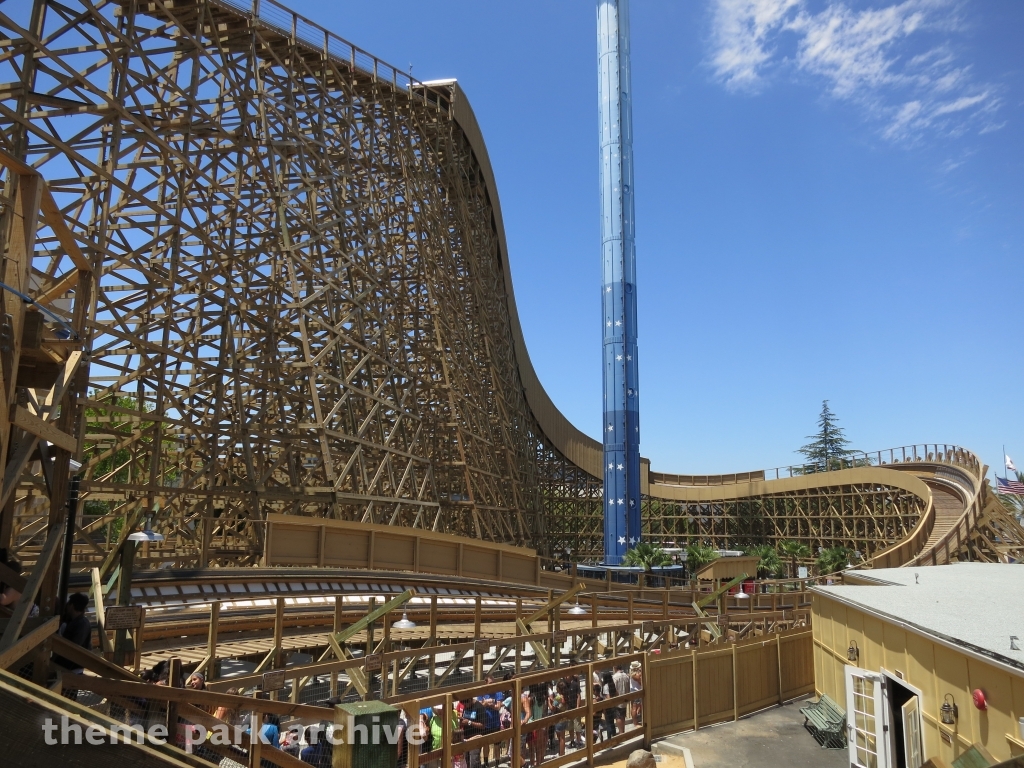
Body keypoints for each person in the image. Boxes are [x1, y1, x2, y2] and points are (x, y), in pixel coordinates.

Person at [459, 697, 487, 768]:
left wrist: (469, 722)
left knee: (474, 763)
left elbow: (483, 725)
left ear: (469, 700)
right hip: (465, 739)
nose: (465, 706)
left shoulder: (479, 707)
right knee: (466, 762)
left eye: (466, 704)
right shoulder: (465, 706)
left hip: (476, 739)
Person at [549, 680, 567, 756]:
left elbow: (552, 708)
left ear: (558, 688)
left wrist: (549, 702)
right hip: (565, 718)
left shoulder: (558, 697)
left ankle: (561, 754)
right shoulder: (565, 695)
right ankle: (562, 752)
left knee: (560, 738)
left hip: (559, 719)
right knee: (562, 736)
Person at [612, 665, 630, 734]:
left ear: (615, 668)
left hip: (617, 698)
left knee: (618, 716)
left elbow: (613, 688)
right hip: (625, 697)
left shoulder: (615, 677)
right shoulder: (626, 675)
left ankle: (620, 731)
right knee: (623, 715)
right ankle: (623, 730)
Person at [628, 661, 643, 727]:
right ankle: (635, 723)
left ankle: (636, 721)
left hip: (636, 691)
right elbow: (640, 681)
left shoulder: (634, 673)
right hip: (635, 691)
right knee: (634, 707)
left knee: (638, 706)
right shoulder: (634, 675)